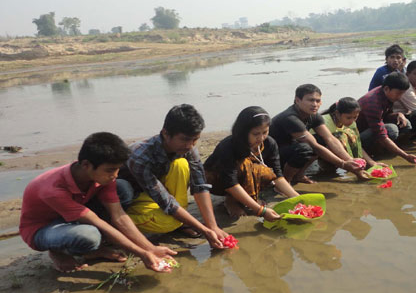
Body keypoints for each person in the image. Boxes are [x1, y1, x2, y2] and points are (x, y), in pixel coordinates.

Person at [20, 132, 177, 273]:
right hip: (43, 230)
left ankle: (94, 250)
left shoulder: (99, 176)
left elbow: (119, 216)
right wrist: (143, 254)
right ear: (86, 165)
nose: (115, 175)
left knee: (122, 188)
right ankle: (58, 251)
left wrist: (151, 248)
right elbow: (98, 223)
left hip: (73, 215)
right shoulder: (53, 189)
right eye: (110, 170)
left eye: (117, 169)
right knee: (89, 235)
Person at [120, 104, 228, 249]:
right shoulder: (140, 155)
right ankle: (118, 225)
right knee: (169, 222)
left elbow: (200, 186)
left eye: (195, 139)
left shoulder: (188, 149)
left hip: (156, 195)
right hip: (133, 197)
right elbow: (167, 202)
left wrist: (213, 226)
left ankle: (180, 220)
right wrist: (204, 230)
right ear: (165, 133)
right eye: (184, 139)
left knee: (181, 164)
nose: (190, 145)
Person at [204, 106, 300, 221]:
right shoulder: (228, 146)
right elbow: (230, 182)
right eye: (256, 134)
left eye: (265, 132)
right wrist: (260, 211)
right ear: (244, 132)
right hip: (216, 180)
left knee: (267, 172)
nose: (261, 138)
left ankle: (246, 199)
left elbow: (278, 175)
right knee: (245, 164)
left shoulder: (269, 143)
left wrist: (298, 199)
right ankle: (231, 200)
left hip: (240, 178)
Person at [270, 84, 366, 184]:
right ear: (297, 100)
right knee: (305, 149)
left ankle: (299, 175)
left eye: (318, 100)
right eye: (311, 100)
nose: (315, 104)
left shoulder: (314, 116)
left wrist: (351, 161)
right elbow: (315, 146)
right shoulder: (290, 118)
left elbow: (330, 138)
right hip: (273, 155)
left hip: (290, 147)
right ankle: (285, 182)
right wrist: (343, 164)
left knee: (324, 140)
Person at [357, 72, 416, 163]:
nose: (400, 97)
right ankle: (375, 153)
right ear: (386, 89)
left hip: (371, 125)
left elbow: (384, 116)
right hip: (358, 135)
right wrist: (405, 156)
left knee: (405, 123)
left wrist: (398, 114)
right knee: (392, 129)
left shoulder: (386, 94)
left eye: (402, 94)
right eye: (398, 93)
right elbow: (381, 135)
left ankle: (390, 148)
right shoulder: (373, 102)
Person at [317, 97, 386, 169]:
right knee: (340, 136)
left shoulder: (352, 124)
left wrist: (371, 162)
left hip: (338, 151)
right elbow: (325, 143)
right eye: (348, 118)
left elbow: (357, 144)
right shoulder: (324, 122)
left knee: (349, 136)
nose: (352, 121)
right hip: (319, 150)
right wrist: (349, 161)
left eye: (355, 117)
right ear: (337, 113)